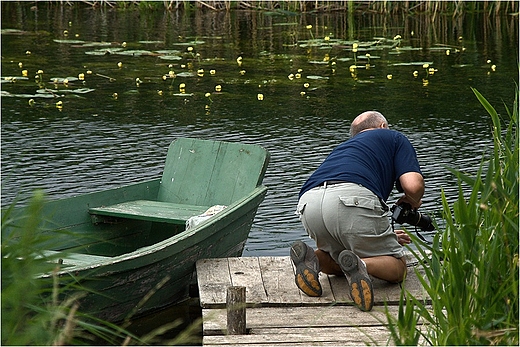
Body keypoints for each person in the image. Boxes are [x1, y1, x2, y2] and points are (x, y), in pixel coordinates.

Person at [290, 110, 424, 312]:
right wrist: (412, 200)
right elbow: (413, 186)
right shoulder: (393, 137)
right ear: (382, 126)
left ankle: (312, 259)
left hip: (309, 202)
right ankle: (362, 265)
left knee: (340, 259)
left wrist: (382, 234)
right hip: (351, 199)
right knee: (399, 269)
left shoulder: (344, 148)